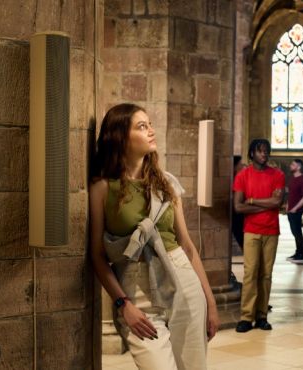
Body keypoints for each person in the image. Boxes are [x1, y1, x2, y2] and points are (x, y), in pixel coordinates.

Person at [89, 103, 219, 370]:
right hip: (137, 292)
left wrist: (210, 301)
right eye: (141, 126)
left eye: (149, 124)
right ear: (120, 136)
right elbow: (97, 256)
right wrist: (123, 303)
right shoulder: (102, 188)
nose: (151, 131)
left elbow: (187, 245)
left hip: (183, 280)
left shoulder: (166, 183)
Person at [232, 139, 285, 332]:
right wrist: (267, 203)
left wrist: (253, 201)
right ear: (252, 153)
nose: (264, 154)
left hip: (271, 231)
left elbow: (277, 202)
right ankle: (246, 316)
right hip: (251, 231)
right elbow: (238, 207)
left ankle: (262, 315)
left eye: (267, 151)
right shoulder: (243, 176)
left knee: (266, 275)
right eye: (260, 151)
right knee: (250, 273)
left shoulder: (277, 174)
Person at [286, 159, 303, 264]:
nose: (291, 166)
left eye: (293, 164)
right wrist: (287, 206)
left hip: (297, 210)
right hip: (290, 210)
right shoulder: (292, 178)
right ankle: (297, 252)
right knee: (294, 232)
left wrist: (295, 208)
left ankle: (301, 254)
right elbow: (290, 195)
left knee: (297, 232)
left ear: (298, 167)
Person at [231, 155, 245, 250]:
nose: (243, 166)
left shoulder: (241, 177)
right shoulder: (233, 178)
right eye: (240, 164)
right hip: (236, 215)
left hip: (241, 213)